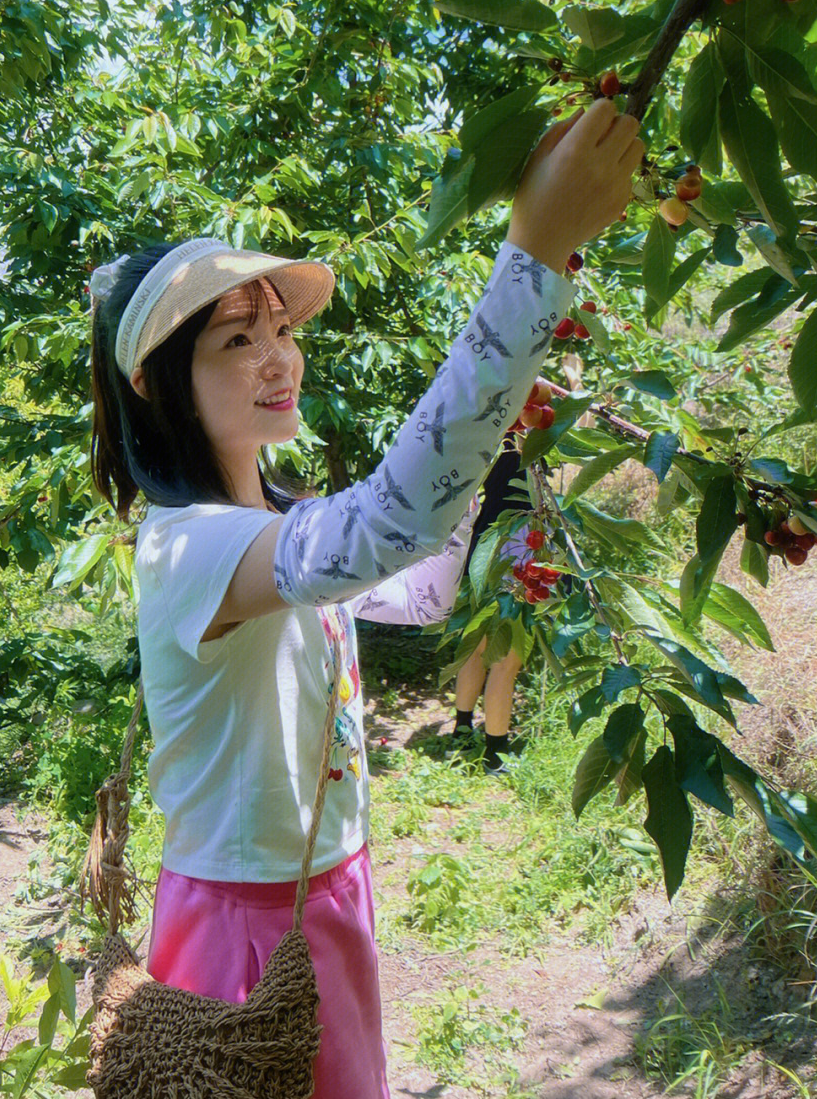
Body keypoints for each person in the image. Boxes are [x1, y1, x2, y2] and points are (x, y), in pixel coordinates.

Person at [86, 99, 642, 1098]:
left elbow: (417, 590)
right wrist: (536, 255)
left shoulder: (280, 514)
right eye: (232, 340)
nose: (277, 355)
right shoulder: (191, 549)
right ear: (159, 386)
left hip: (330, 888)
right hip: (244, 919)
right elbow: (391, 521)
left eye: (280, 326)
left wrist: (498, 445)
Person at [452, 438, 533, 773]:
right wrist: (574, 382)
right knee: (506, 660)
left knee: (476, 646)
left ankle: (461, 730)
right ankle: (496, 755)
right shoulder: (537, 443)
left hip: (481, 548)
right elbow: (580, 420)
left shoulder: (489, 434)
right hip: (517, 550)